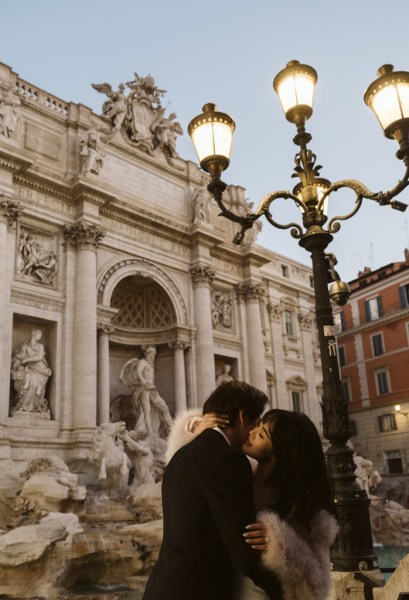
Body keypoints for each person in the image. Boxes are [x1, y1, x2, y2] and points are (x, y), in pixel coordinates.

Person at [166, 407, 338, 600]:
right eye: (258, 426)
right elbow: (189, 475)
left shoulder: (302, 506)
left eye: (262, 434)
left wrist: (279, 542)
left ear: (280, 451)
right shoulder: (239, 472)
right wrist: (195, 431)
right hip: (220, 586)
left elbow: (315, 584)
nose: (252, 432)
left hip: (260, 593)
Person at [143, 381, 283, 600]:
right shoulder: (228, 460)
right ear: (242, 416)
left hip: (165, 587)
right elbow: (243, 548)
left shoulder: (181, 456)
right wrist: (283, 589)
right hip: (198, 591)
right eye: (255, 423)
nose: (254, 432)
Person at [11, 329, 52, 413]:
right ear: (34, 335)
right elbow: (20, 356)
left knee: (37, 387)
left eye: (40, 336)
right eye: (39, 335)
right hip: (30, 368)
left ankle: (36, 406)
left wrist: (27, 360)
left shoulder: (40, 346)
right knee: (31, 385)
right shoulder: (25, 346)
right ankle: (24, 406)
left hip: (40, 369)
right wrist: (14, 364)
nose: (40, 337)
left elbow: (40, 357)